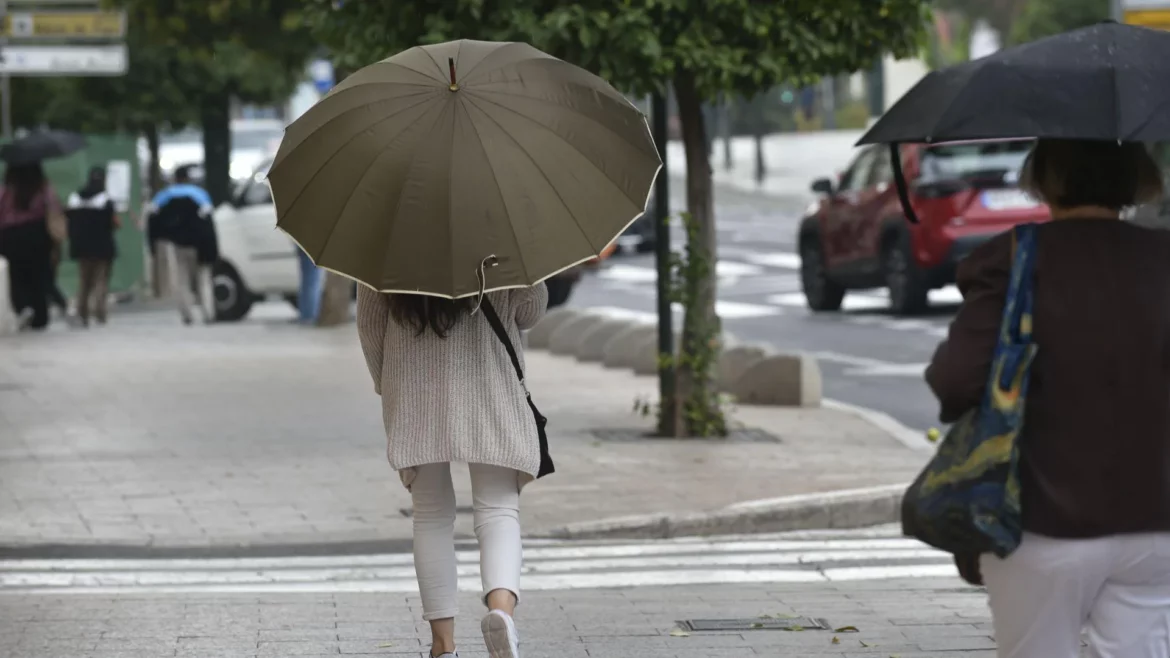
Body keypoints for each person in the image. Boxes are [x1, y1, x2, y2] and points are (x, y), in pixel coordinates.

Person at [926, 138, 1170, 658]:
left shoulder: (1012, 260)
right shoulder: (1163, 258)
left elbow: (956, 381)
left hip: (1038, 517)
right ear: (1135, 179)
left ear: (1046, 178)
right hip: (1156, 518)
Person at [356, 283, 549, 658]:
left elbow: (369, 323)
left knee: (430, 515)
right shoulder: (501, 227)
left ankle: (443, 645)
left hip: (412, 384)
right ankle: (501, 612)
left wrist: (388, 384)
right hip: (489, 379)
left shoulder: (384, 229)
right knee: (498, 509)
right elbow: (530, 311)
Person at [146, 166, 216, 325]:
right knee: (203, 278)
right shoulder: (200, 194)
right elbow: (209, 220)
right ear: (188, 178)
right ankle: (208, 312)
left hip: (177, 244)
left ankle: (187, 314)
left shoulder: (165, 195)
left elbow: (153, 216)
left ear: (175, 178)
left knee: (181, 278)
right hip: (200, 245)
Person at [0, 162, 64, 330]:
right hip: (36, 234)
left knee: (15, 276)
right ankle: (41, 317)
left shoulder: (6, 190)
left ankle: (23, 307)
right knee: (39, 276)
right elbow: (54, 207)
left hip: (9, 236)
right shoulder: (42, 188)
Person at [65, 166, 120, 327]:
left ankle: (83, 313)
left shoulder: (75, 199)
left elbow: (69, 221)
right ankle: (100, 312)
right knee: (101, 280)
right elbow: (113, 223)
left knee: (84, 281)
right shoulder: (105, 200)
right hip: (102, 247)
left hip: (81, 246)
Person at [296, 244, 322, 324]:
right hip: (314, 248)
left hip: (303, 245)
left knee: (307, 281)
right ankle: (309, 315)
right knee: (312, 282)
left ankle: (305, 315)